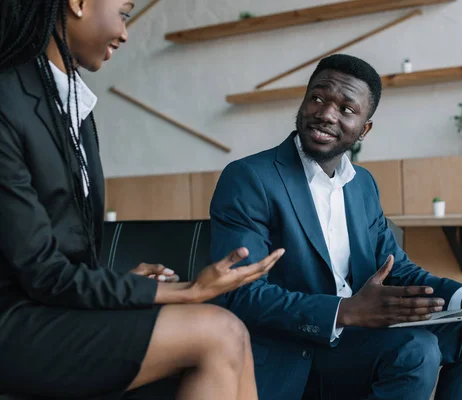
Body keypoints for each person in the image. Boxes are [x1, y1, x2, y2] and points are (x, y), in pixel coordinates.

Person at [0, 1, 285, 399]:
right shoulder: (8, 101)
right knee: (217, 333)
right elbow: (42, 272)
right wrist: (187, 291)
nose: (125, 33)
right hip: (15, 322)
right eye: (124, 13)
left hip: (49, 308)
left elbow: (66, 259)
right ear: (79, 4)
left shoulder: (72, 106)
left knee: (231, 329)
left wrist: (121, 283)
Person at [209, 54, 462, 400]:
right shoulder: (251, 177)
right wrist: (344, 311)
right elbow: (239, 292)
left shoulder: (361, 184)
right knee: (415, 348)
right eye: (317, 98)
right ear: (304, 102)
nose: (326, 113)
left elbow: (399, 270)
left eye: (347, 109)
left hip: (358, 334)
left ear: (364, 129)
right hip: (296, 349)